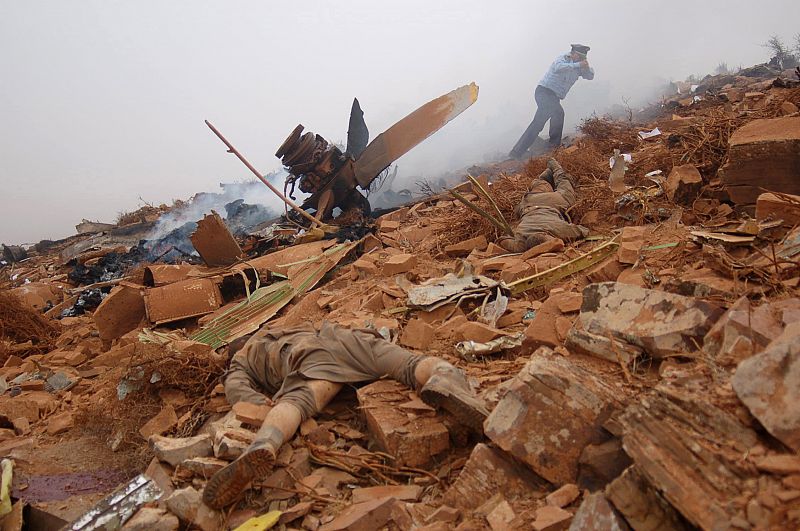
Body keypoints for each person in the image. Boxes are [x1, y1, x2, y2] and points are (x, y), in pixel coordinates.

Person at [202, 321, 489, 509]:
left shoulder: (242, 358)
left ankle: (263, 445)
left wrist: (261, 403)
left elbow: (238, 393)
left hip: (311, 359)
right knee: (412, 364)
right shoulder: (285, 328)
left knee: (297, 403)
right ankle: (449, 381)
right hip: (344, 337)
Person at [509, 44, 594, 159]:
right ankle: (553, 147)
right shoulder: (564, 58)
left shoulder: (579, 67)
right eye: (578, 56)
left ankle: (517, 152)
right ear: (573, 53)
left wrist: (586, 67)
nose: (580, 59)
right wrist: (578, 64)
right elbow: (558, 68)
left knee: (539, 122)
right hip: (544, 92)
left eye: (582, 58)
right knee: (557, 113)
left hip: (554, 97)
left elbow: (589, 76)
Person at [497, 159, 587, 253]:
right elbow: (501, 240)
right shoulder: (520, 242)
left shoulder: (558, 229)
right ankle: (550, 171)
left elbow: (583, 231)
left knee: (564, 183)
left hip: (552, 202)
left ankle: (556, 170)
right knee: (540, 184)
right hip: (528, 202)